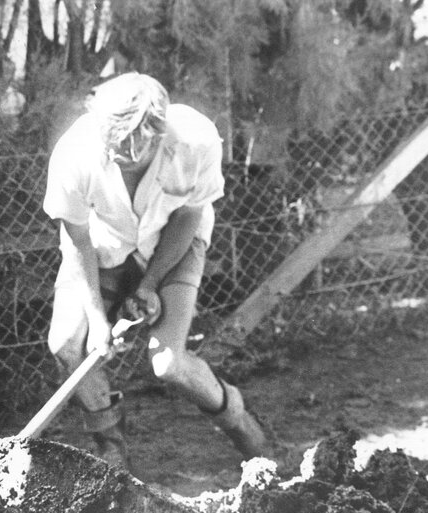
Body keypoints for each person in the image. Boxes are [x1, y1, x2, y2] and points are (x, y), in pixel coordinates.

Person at [43, 71, 268, 466]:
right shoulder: (74, 153)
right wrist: (98, 319)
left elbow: (188, 219)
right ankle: (112, 453)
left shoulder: (195, 140)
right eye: (112, 145)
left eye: (132, 151)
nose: (118, 155)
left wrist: (149, 286)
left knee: (168, 364)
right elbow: (77, 240)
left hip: (173, 241)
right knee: (65, 344)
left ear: (157, 134)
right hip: (102, 244)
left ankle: (240, 422)